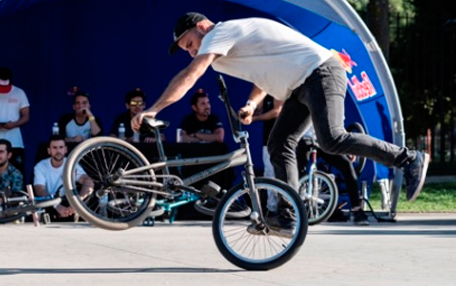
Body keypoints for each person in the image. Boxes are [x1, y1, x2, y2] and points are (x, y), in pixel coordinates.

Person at [131, 12, 429, 227]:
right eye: (187, 50)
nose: (192, 52)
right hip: (301, 86)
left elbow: (190, 75)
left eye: (189, 44)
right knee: (280, 144)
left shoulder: (220, 33)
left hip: (320, 73)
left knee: (332, 138)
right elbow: (263, 73)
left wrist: (153, 109)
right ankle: (290, 213)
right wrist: (251, 102)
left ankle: (408, 158)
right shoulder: (233, 42)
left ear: (201, 27)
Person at [33, 135, 94, 219]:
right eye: (54, 148)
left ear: (65, 150)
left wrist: (77, 203)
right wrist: (57, 206)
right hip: (50, 205)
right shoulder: (40, 166)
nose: (58, 151)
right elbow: (39, 190)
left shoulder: (71, 164)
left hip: (70, 204)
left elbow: (88, 182)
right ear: (49, 150)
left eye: (61, 147)